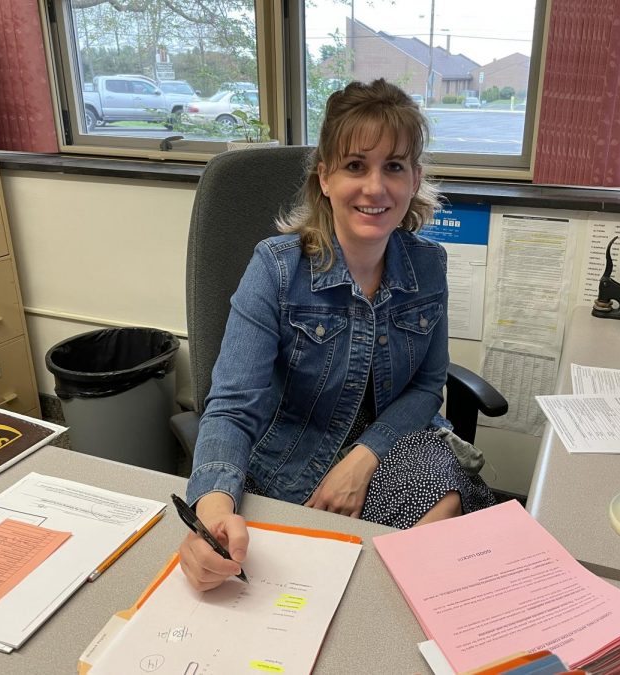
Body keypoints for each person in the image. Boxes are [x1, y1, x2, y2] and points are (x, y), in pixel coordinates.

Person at [179, 79, 495, 591]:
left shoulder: (428, 265)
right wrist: (210, 513)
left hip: (388, 445)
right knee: (276, 580)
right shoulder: (276, 269)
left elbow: (424, 387)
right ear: (324, 178)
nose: (375, 187)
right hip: (291, 455)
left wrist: (363, 459)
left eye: (394, 166)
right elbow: (233, 407)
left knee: (445, 503)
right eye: (355, 166)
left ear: (414, 178)